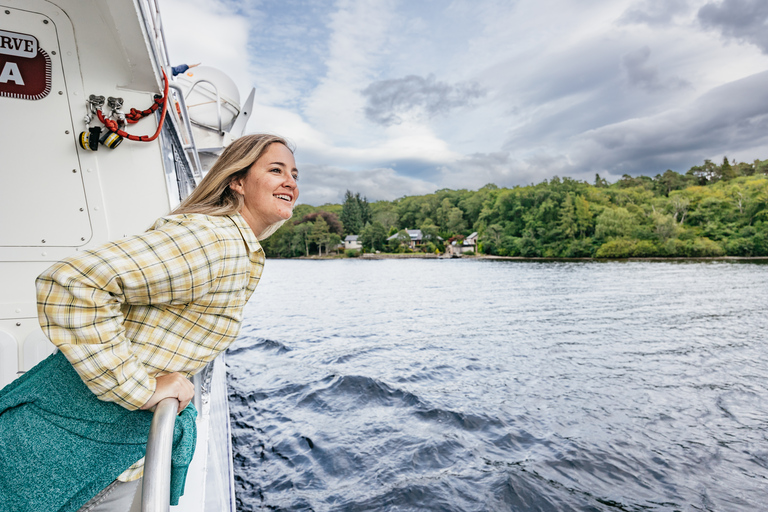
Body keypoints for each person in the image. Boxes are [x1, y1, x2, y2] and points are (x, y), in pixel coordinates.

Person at [0, 134, 299, 512]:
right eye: (276, 170)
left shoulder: (237, 247)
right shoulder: (214, 240)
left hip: (102, 445)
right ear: (236, 181)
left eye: (294, 173)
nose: (291, 182)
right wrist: (138, 389)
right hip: (70, 445)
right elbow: (74, 283)